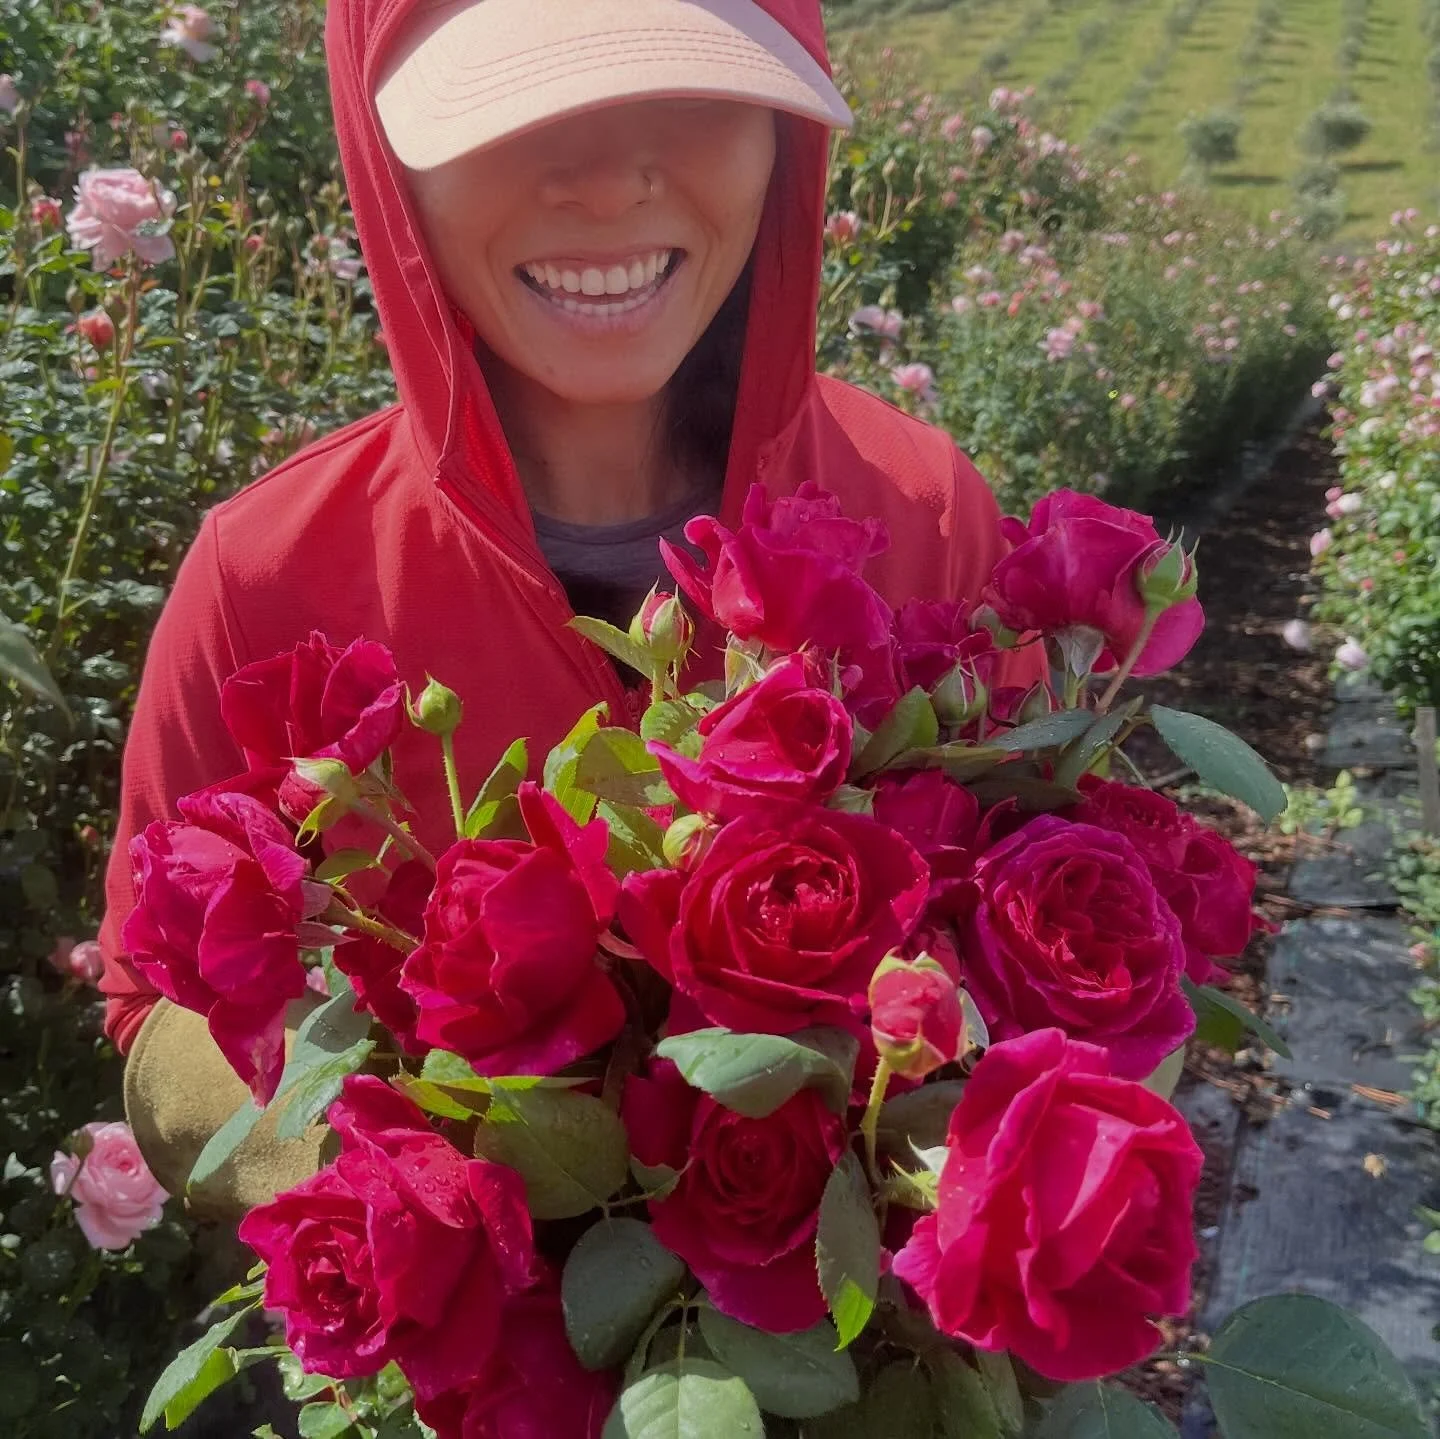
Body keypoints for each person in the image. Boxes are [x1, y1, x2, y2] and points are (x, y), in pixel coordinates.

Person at [104, 0, 1040, 1201]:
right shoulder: (269, 578)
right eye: (514, 106)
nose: (604, 184)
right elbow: (162, 991)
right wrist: (441, 1211)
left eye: (689, 93)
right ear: (388, 158)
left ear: (782, 133)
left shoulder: (924, 511)